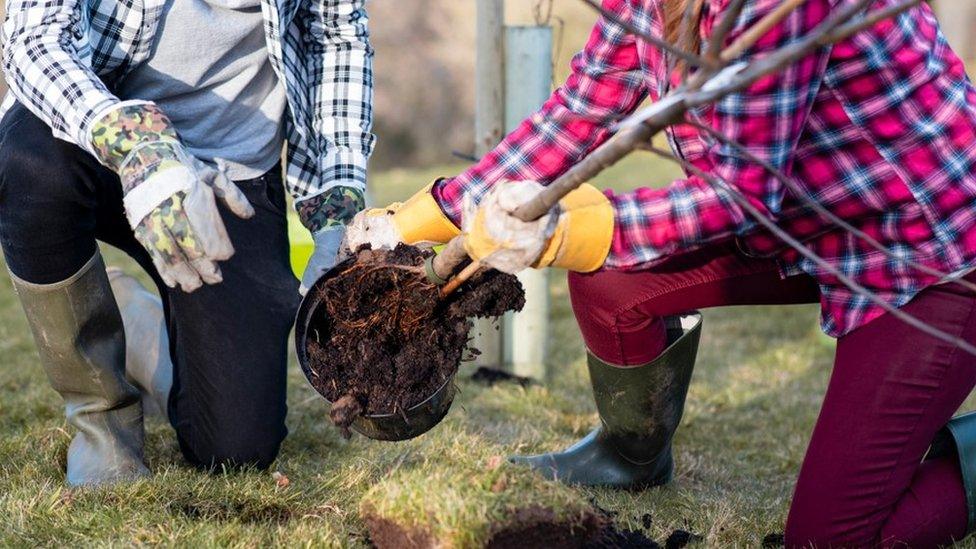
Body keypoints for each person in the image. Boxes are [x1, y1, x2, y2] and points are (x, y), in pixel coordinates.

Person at [346, 0, 976, 545]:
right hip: (810, 222)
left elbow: (741, 195)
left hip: (925, 249)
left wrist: (568, 229)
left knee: (830, 539)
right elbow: (579, 113)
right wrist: (421, 217)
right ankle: (631, 459)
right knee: (615, 282)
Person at [0, 0, 373, 485]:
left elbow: (337, 35)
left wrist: (335, 210)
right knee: (26, 165)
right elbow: (33, 38)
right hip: (105, 136)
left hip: (230, 179)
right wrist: (139, 148)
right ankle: (102, 418)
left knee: (236, 450)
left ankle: (140, 328)